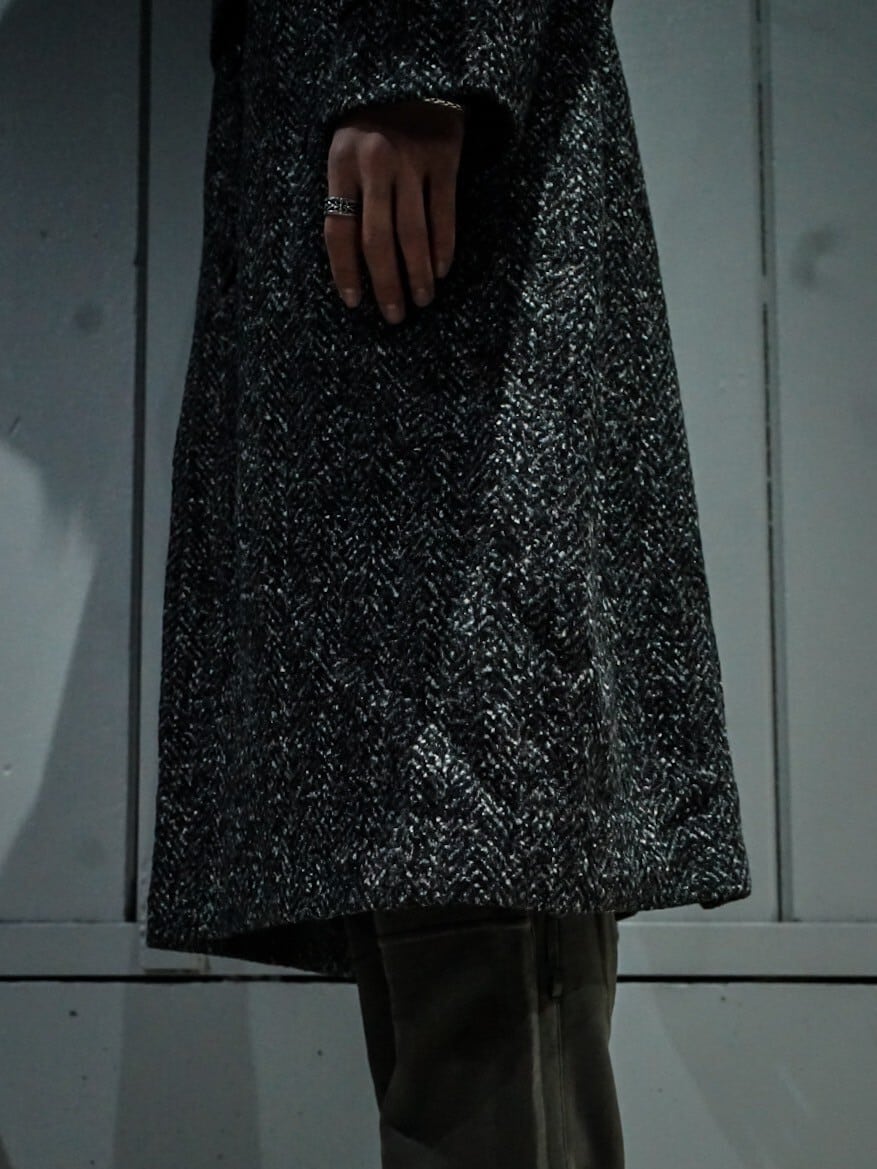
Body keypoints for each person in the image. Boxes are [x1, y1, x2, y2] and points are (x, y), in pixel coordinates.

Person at [147, 2, 753, 1165]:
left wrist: (415, 57)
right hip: (355, 131)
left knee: (477, 830)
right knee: (438, 852)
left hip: (421, 145)